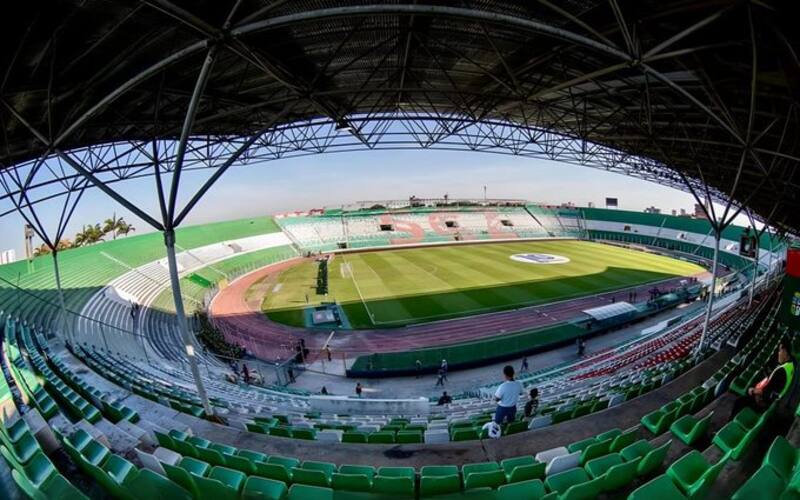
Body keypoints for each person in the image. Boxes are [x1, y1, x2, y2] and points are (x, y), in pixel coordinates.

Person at [730, 338, 795, 419]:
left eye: (779, 351)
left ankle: (731, 421)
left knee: (739, 402)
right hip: (774, 400)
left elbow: (766, 392)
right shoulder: (791, 365)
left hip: (764, 403)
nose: (778, 353)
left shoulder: (781, 371)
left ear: (785, 352)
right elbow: (776, 384)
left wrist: (752, 390)